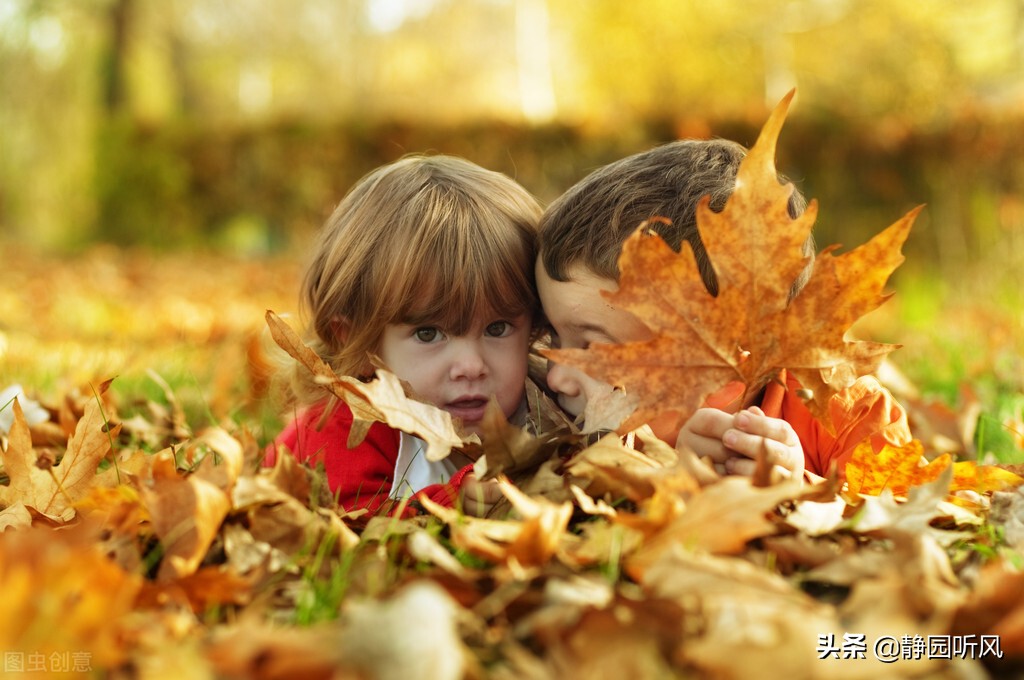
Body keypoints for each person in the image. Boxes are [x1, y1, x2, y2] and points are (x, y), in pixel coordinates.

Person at [536, 138, 911, 481]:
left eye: (592, 349)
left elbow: (915, 517)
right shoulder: (548, 421)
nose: (556, 378)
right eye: (553, 335)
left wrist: (800, 491)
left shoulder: (850, 414)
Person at [265, 154, 540, 515]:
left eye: (497, 328)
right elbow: (352, 529)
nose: (471, 366)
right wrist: (451, 504)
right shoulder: (340, 435)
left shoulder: (541, 409)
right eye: (428, 333)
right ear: (356, 341)